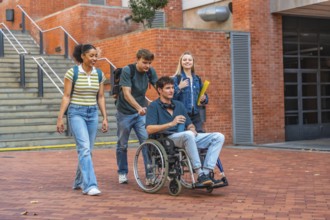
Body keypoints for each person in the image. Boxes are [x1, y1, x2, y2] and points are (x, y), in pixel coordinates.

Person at [146, 76, 225, 186]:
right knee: (188, 135)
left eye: (173, 88)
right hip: (167, 139)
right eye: (168, 88)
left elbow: (190, 124)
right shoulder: (154, 106)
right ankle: (199, 172)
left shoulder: (179, 105)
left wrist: (193, 129)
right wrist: (171, 123)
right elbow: (149, 129)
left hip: (187, 137)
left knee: (218, 136)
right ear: (159, 90)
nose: (172, 90)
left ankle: (206, 173)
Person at [56, 44, 108, 196]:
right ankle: (89, 185)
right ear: (83, 56)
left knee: (88, 151)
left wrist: (105, 117)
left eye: (95, 56)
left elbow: (101, 97)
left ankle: (78, 181)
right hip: (76, 112)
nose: (94, 59)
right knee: (84, 149)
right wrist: (60, 118)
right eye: (91, 56)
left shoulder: (99, 74)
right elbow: (66, 96)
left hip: (92, 113)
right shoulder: (72, 72)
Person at [115, 48, 158, 184]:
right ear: (137, 59)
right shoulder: (128, 70)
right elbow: (127, 93)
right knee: (122, 144)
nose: (147, 66)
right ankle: (122, 172)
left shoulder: (150, 71)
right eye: (145, 62)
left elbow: (159, 88)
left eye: (149, 63)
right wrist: (138, 108)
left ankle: (150, 175)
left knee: (146, 142)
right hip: (125, 112)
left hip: (140, 113)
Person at [173, 51, 208, 133]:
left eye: (189, 60)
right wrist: (179, 88)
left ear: (193, 62)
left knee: (199, 136)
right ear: (181, 63)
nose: (187, 61)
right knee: (185, 137)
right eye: (184, 60)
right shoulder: (177, 78)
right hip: (182, 114)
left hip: (196, 115)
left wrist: (204, 98)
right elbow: (171, 98)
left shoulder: (197, 79)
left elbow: (205, 97)